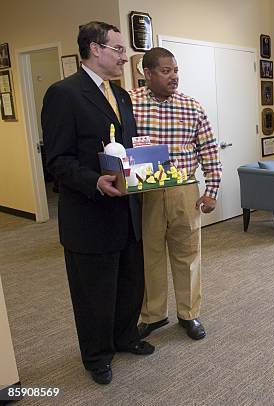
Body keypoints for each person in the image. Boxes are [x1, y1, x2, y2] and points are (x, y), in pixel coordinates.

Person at [41, 21, 154, 385]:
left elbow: (126, 147)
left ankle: (124, 337)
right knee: (94, 292)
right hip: (89, 215)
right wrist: (95, 181)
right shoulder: (64, 94)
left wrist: (149, 167)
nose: (126, 57)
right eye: (119, 49)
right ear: (94, 48)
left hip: (127, 211)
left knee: (129, 281)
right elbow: (57, 160)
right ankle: (96, 356)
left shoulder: (121, 95)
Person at [129, 47, 222, 341]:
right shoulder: (129, 104)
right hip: (146, 192)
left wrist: (212, 190)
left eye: (176, 71)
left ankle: (189, 314)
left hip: (184, 190)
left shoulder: (192, 106)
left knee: (188, 255)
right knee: (149, 256)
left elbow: (209, 150)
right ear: (148, 73)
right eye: (166, 71)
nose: (174, 77)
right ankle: (153, 315)